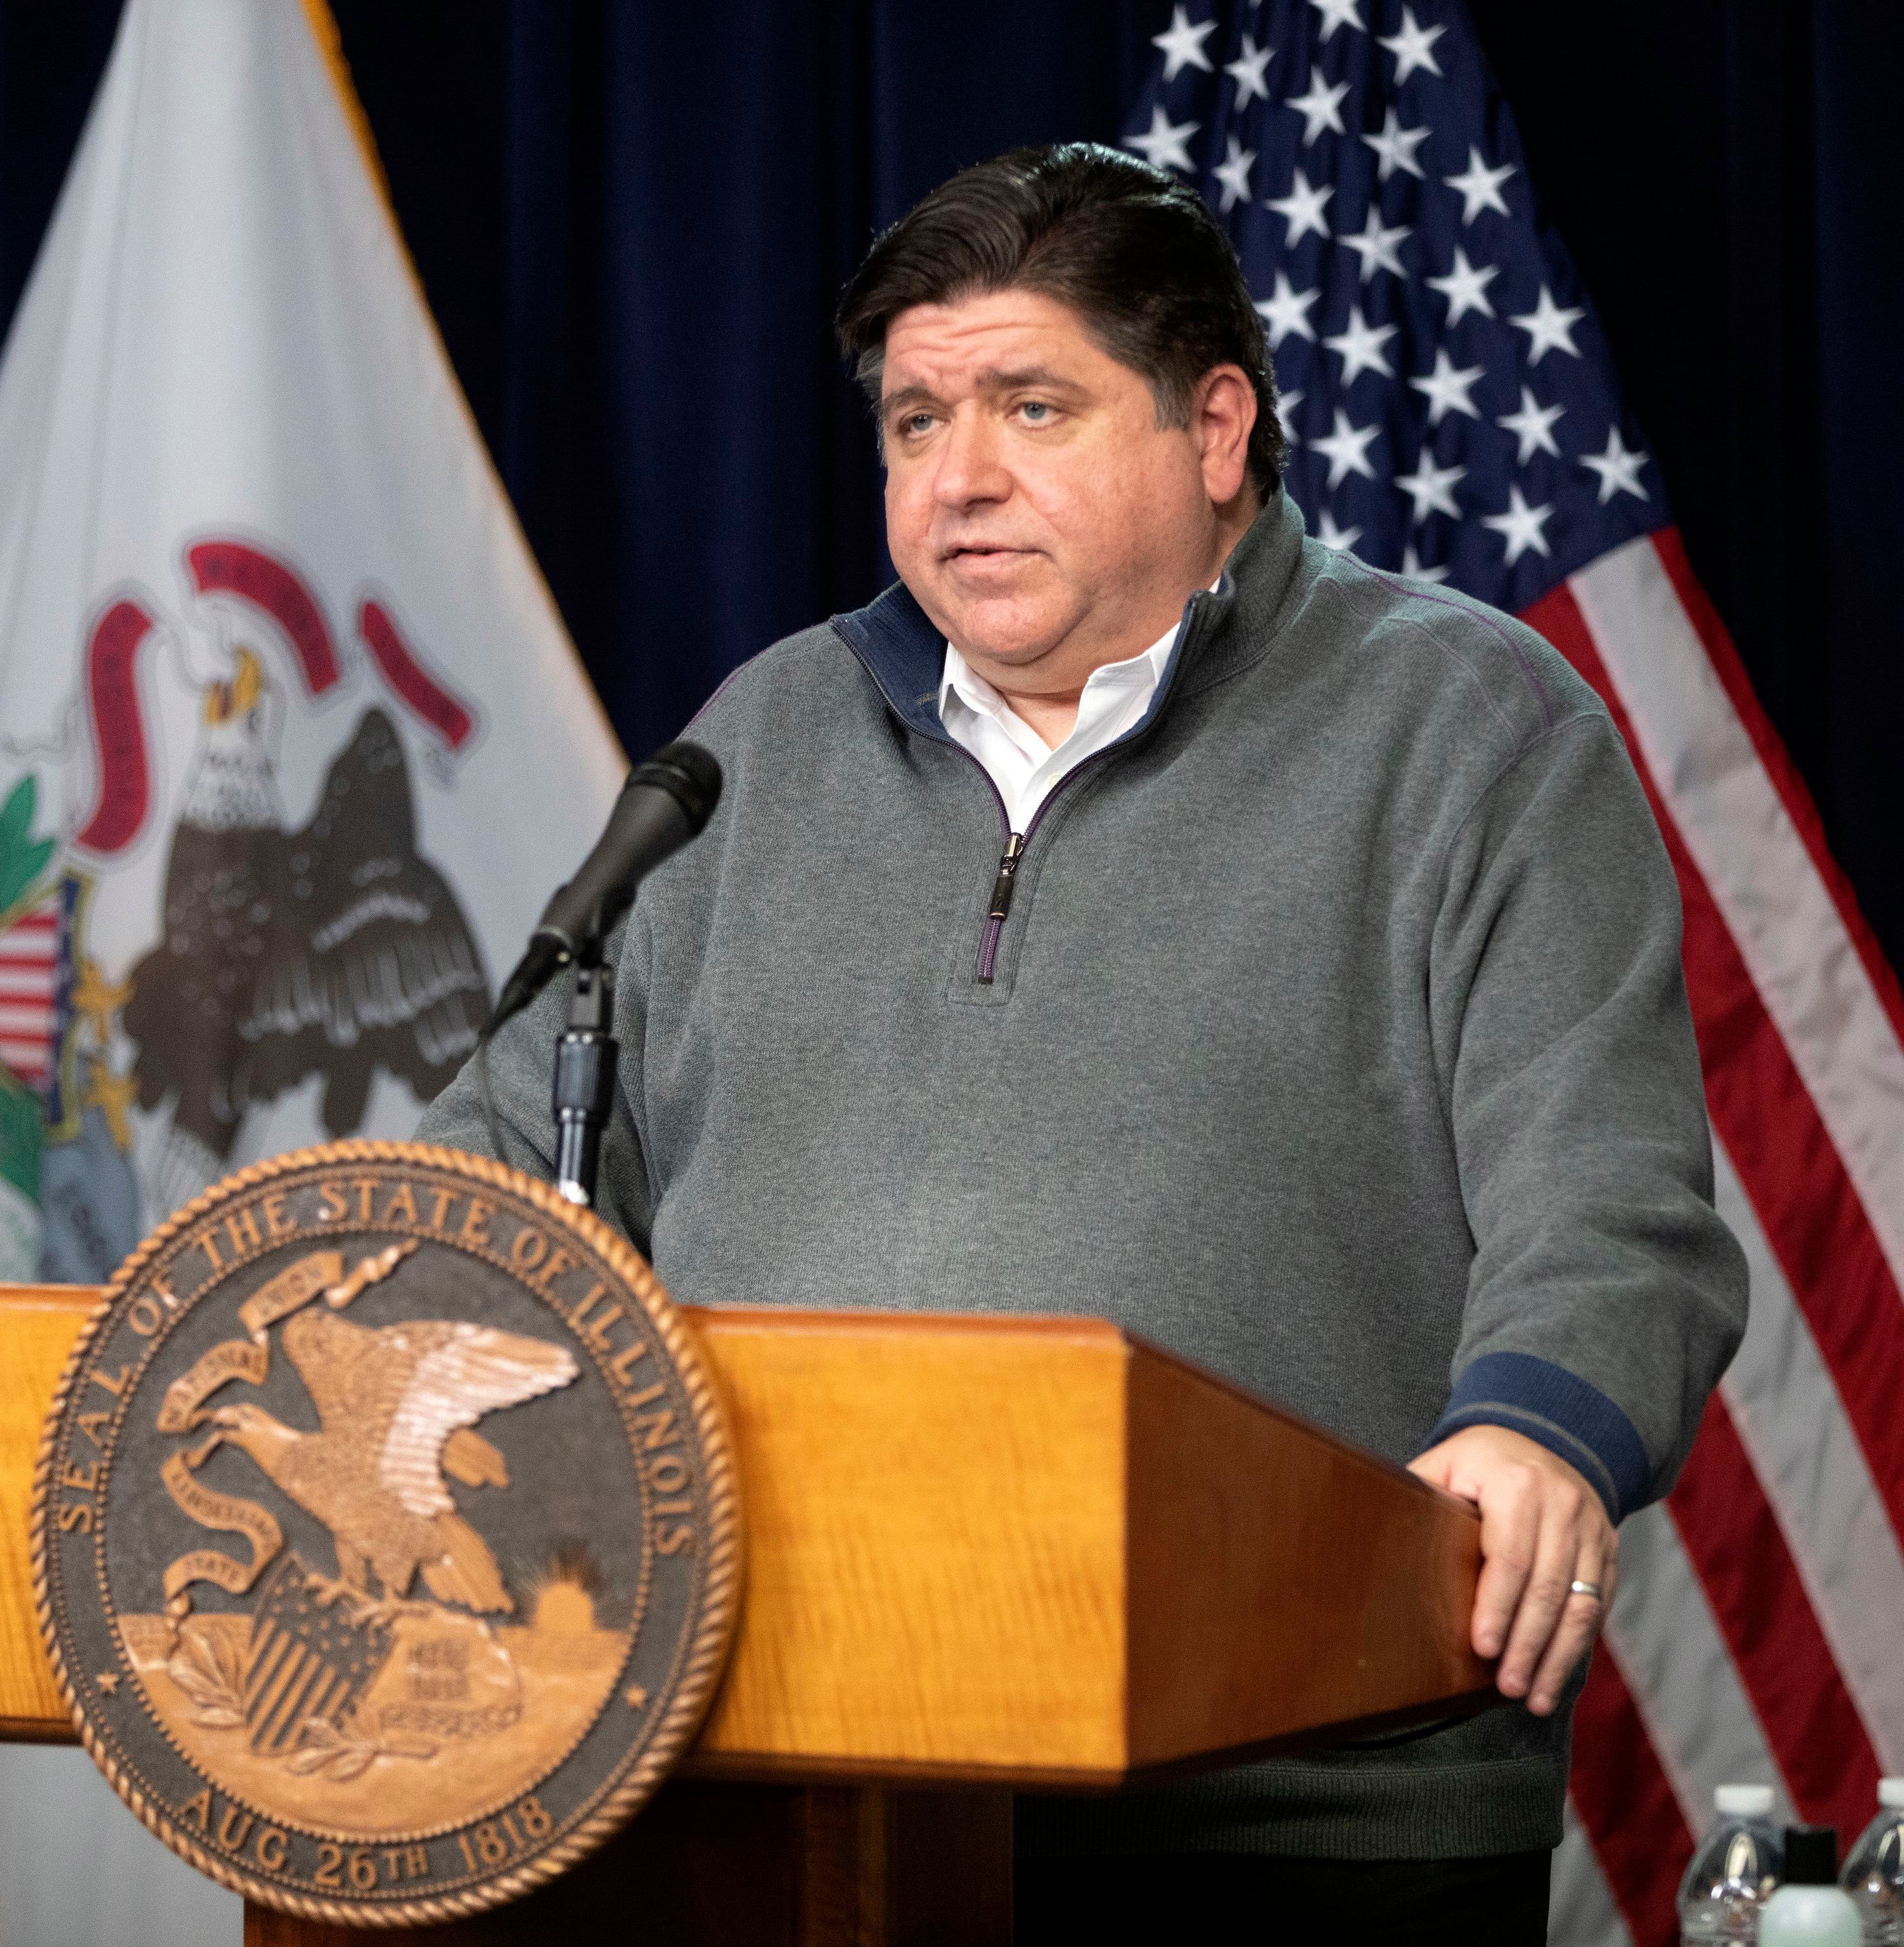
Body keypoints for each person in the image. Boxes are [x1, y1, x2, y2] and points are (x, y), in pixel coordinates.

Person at [420, 142, 1746, 1944]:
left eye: (1029, 407)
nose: (956, 480)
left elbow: (1614, 1213)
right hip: (779, 1784)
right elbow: (488, 1177)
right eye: (911, 423)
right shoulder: (760, 741)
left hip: (1299, 1814)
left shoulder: (1471, 731)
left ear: (1213, 432)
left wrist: (1539, 1431)